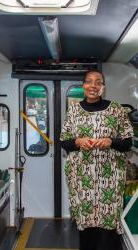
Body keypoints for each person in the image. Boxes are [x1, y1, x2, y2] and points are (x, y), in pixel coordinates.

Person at [60, 70, 133, 250]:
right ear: (83, 86)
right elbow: (64, 142)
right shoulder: (74, 110)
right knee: (87, 222)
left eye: (98, 82)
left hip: (110, 178)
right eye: (89, 82)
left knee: (108, 221)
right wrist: (78, 141)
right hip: (81, 178)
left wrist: (110, 141)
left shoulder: (116, 109)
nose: (93, 86)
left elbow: (127, 142)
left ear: (103, 87)